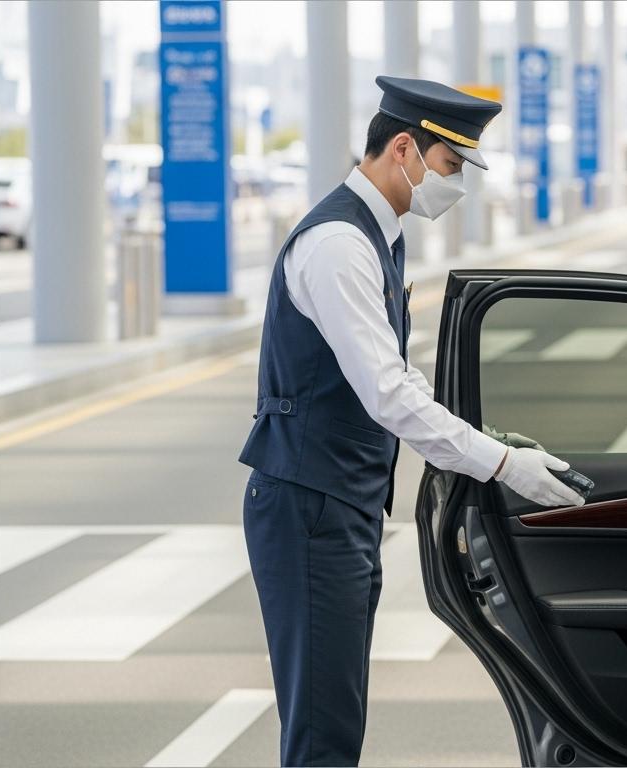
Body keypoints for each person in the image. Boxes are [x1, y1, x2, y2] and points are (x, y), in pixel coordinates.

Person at [238, 75, 584, 767]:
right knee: (323, 730)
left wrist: (484, 442)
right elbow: (387, 394)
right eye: (451, 166)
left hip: (339, 501)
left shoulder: (375, 233)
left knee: (334, 713)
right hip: (311, 505)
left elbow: (398, 377)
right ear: (404, 148)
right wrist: (501, 464)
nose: (456, 185)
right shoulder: (339, 243)